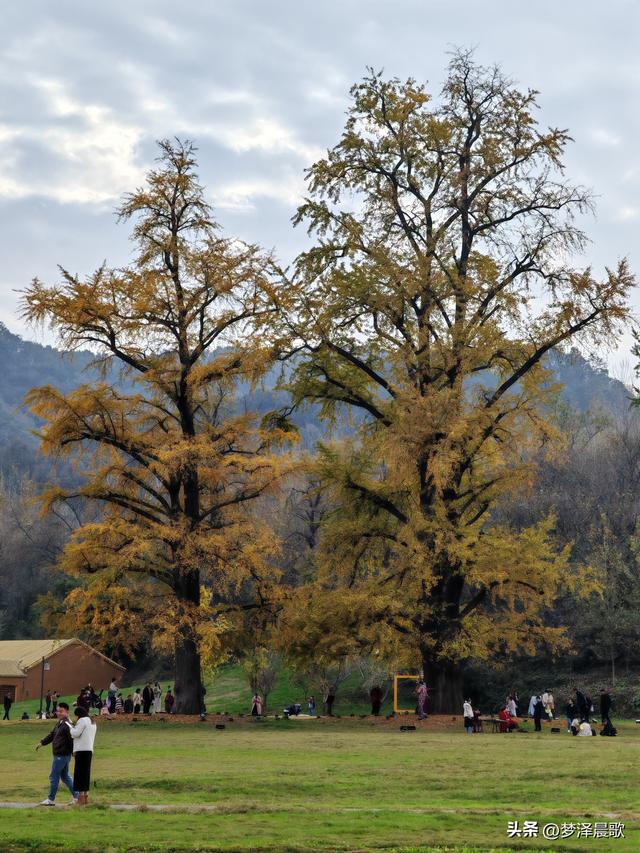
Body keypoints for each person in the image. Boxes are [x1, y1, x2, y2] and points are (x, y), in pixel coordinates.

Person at [35, 701, 77, 806]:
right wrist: (42, 743)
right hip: (61, 755)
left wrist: (73, 752)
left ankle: (51, 800)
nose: (59, 713)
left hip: (62, 755)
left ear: (67, 712)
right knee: (65, 777)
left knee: (53, 776)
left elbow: (73, 738)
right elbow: (52, 735)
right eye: (58, 711)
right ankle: (77, 797)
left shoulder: (67, 724)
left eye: (61, 711)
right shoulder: (59, 723)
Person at [68, 706, 97, 806]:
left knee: (79, 774)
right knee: (86, 773)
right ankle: (85, 796)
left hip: (81, 750)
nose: (76, 718)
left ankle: (80, 798)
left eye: (76, 716)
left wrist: (71, 728)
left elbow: (75, 734)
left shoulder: (82, 721)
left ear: (78, 714)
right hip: (89, 750)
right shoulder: (92, 721)